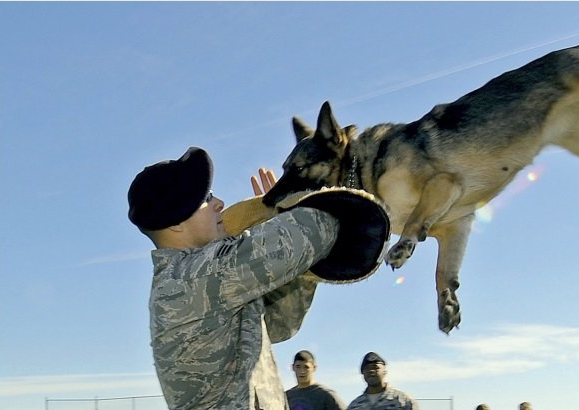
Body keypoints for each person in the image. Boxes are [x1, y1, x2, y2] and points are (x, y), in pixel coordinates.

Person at [129, 147, 388, 409]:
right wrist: (294, 202)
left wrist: (281, 224)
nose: (220, 203)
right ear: (176, 223)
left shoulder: (206, 280)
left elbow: (281, 324)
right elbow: (313, 231)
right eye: (206, 198)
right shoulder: (192, 277)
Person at [346, 352, 419, 410]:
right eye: (367, 368)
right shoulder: (354, 406)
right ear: (362, 373)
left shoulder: (403, 401)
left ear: (384, 371)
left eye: (376, 367)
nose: (371, 371)